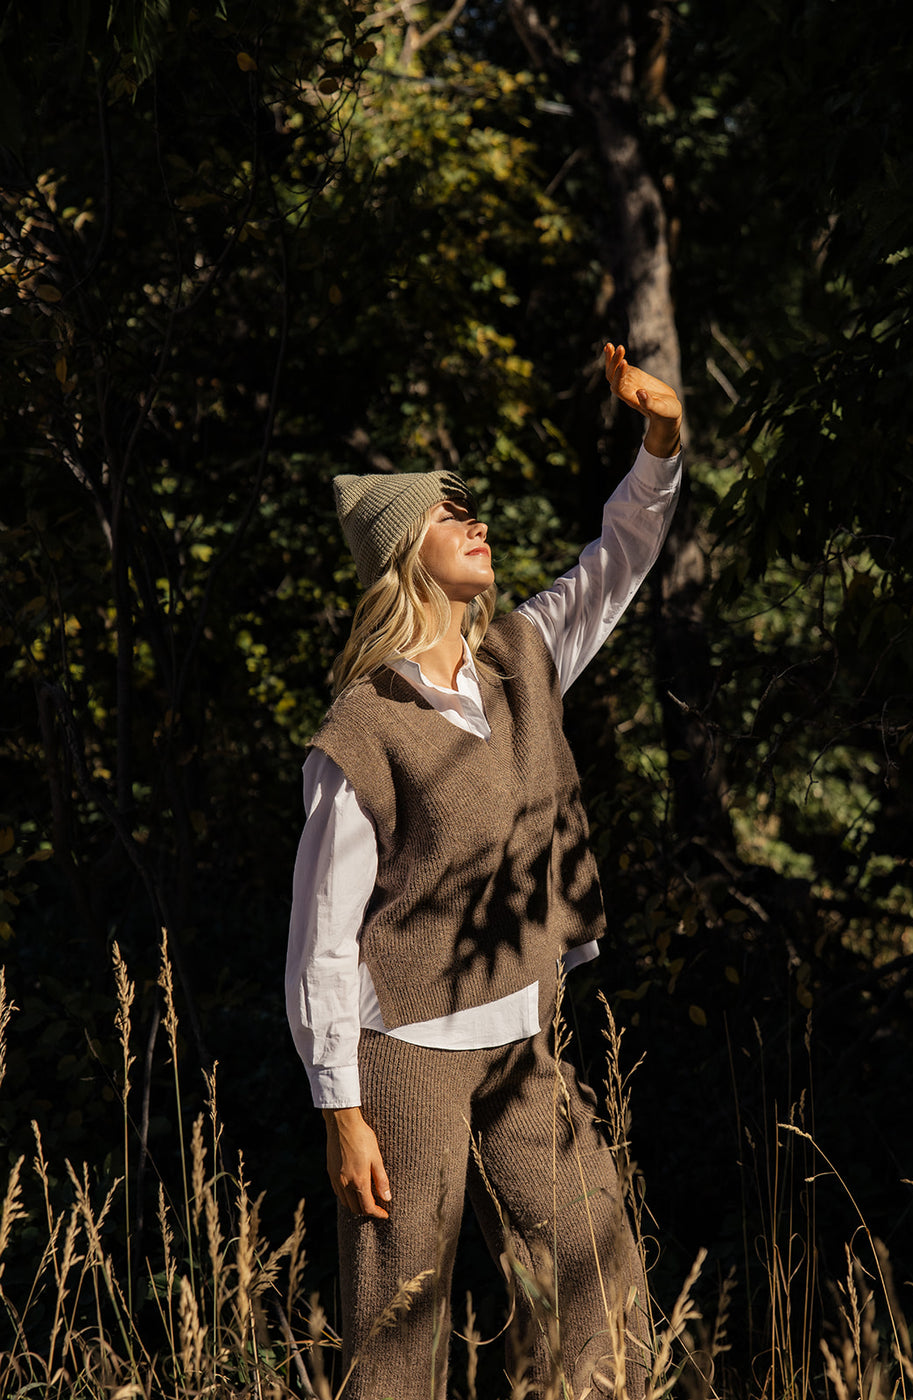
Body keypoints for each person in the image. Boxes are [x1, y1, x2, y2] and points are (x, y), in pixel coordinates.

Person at [285, 343, 683, 1398]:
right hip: (403, 1052)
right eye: (447, 514)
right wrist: (341, 1109)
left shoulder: (520, 657)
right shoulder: (364, 728)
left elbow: (621, 555)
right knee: (400, 1324)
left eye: (474, 508)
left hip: (522, 1039)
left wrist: (660, 438)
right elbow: (323, 937)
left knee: (600, 1267)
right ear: (404, 553)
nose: (477, 521)